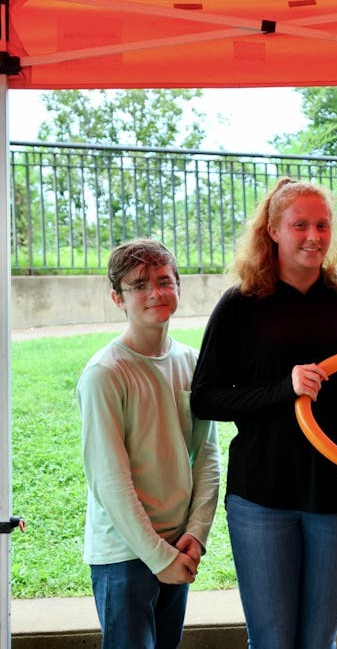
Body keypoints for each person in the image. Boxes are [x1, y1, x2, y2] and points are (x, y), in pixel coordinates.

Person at [190, 177, 337, 649]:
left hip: (336, 495)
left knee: (319, 639)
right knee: (274, 641)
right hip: (262, 497)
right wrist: (285, 388)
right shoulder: (241, 305)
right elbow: (206, 398)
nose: (314, 236)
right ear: (273, 230)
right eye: (300, 225)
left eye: (322, 225)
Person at [78, 238, 221, 648]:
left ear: (178, 286)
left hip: (180, 548)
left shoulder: (192, 363)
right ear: (116, 297)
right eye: (139, 284)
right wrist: (158, 557)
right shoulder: (105, 374)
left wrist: (196, 534)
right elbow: (110, 479)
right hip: (125, 554)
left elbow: (207, 454)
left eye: (164, 280)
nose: (155, 292)